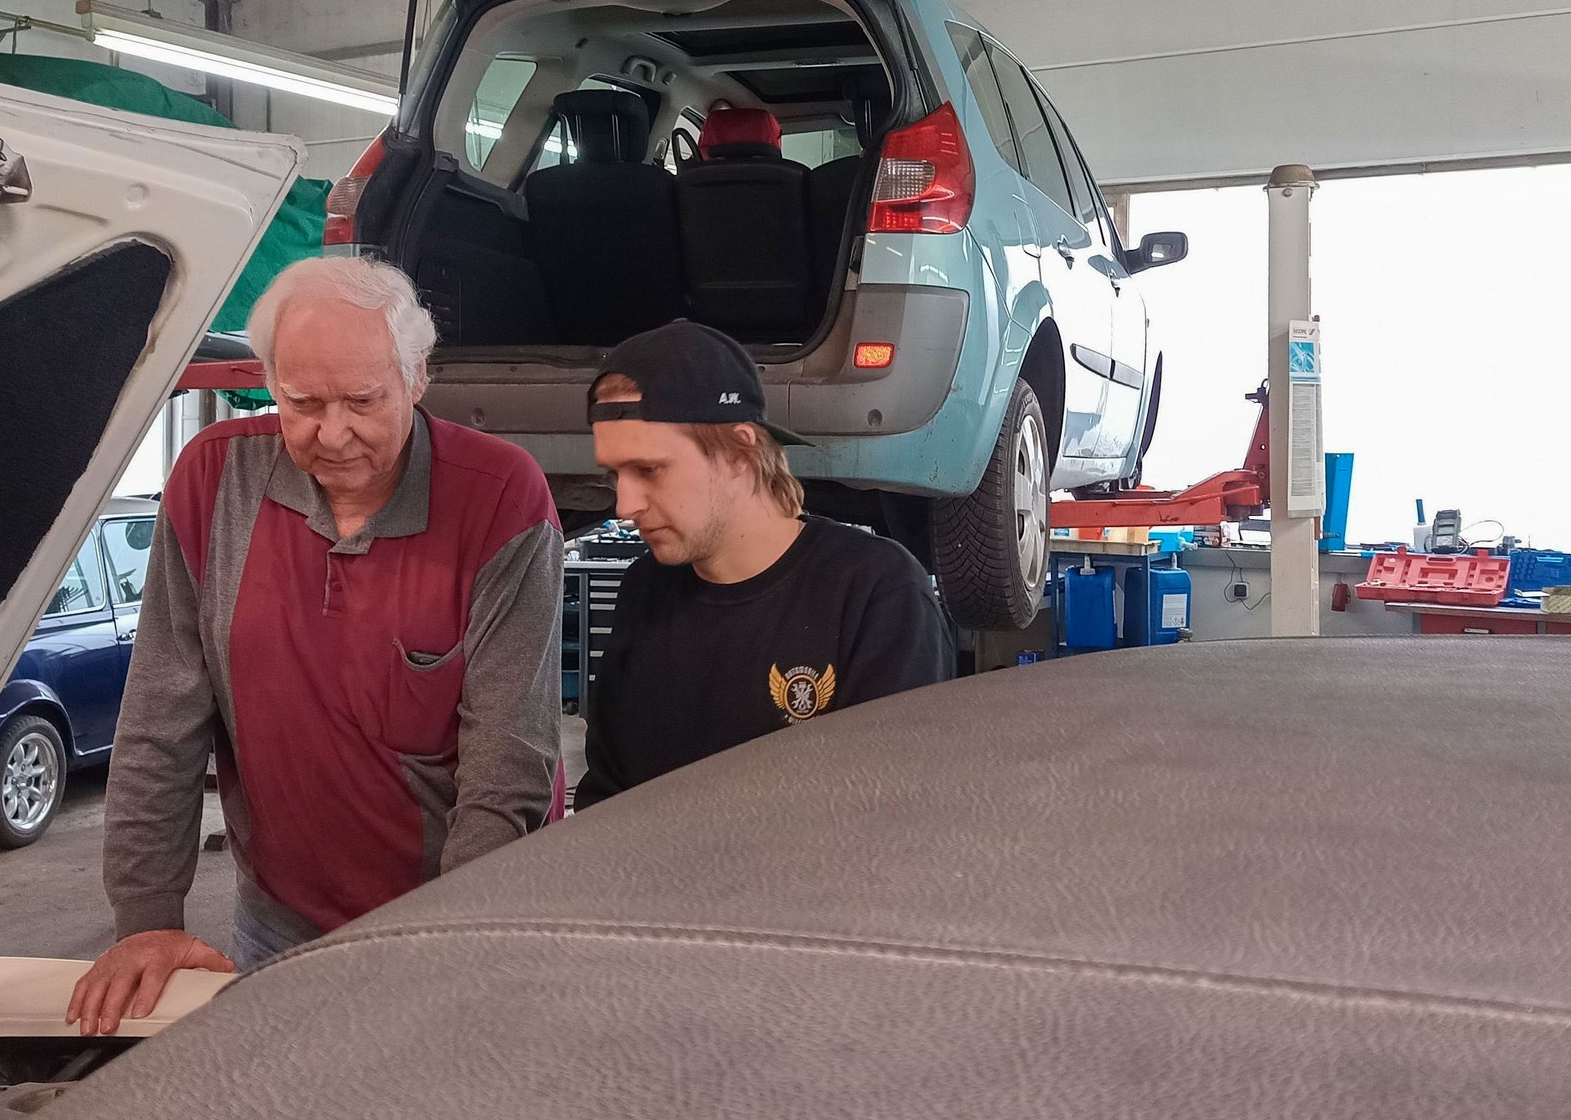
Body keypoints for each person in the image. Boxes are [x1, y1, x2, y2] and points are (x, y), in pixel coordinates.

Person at [69, 257, 562, 1035]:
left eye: (364, 400)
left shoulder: (502, 496)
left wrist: (459, 936)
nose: (332, 433)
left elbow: (510, 763)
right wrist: (147, 918)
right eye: (301, 402)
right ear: (267, 379)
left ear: (417, 377)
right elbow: (159, 724)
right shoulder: (210, 481)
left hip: (449, 914)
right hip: (278, 924)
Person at [574, 320, 955, 809]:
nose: (625, 505)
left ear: (738, 452)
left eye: (649, 470)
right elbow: (605, 801)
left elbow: (898, 819)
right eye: (615, 475)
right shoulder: (644, 591)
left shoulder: (875, 594)